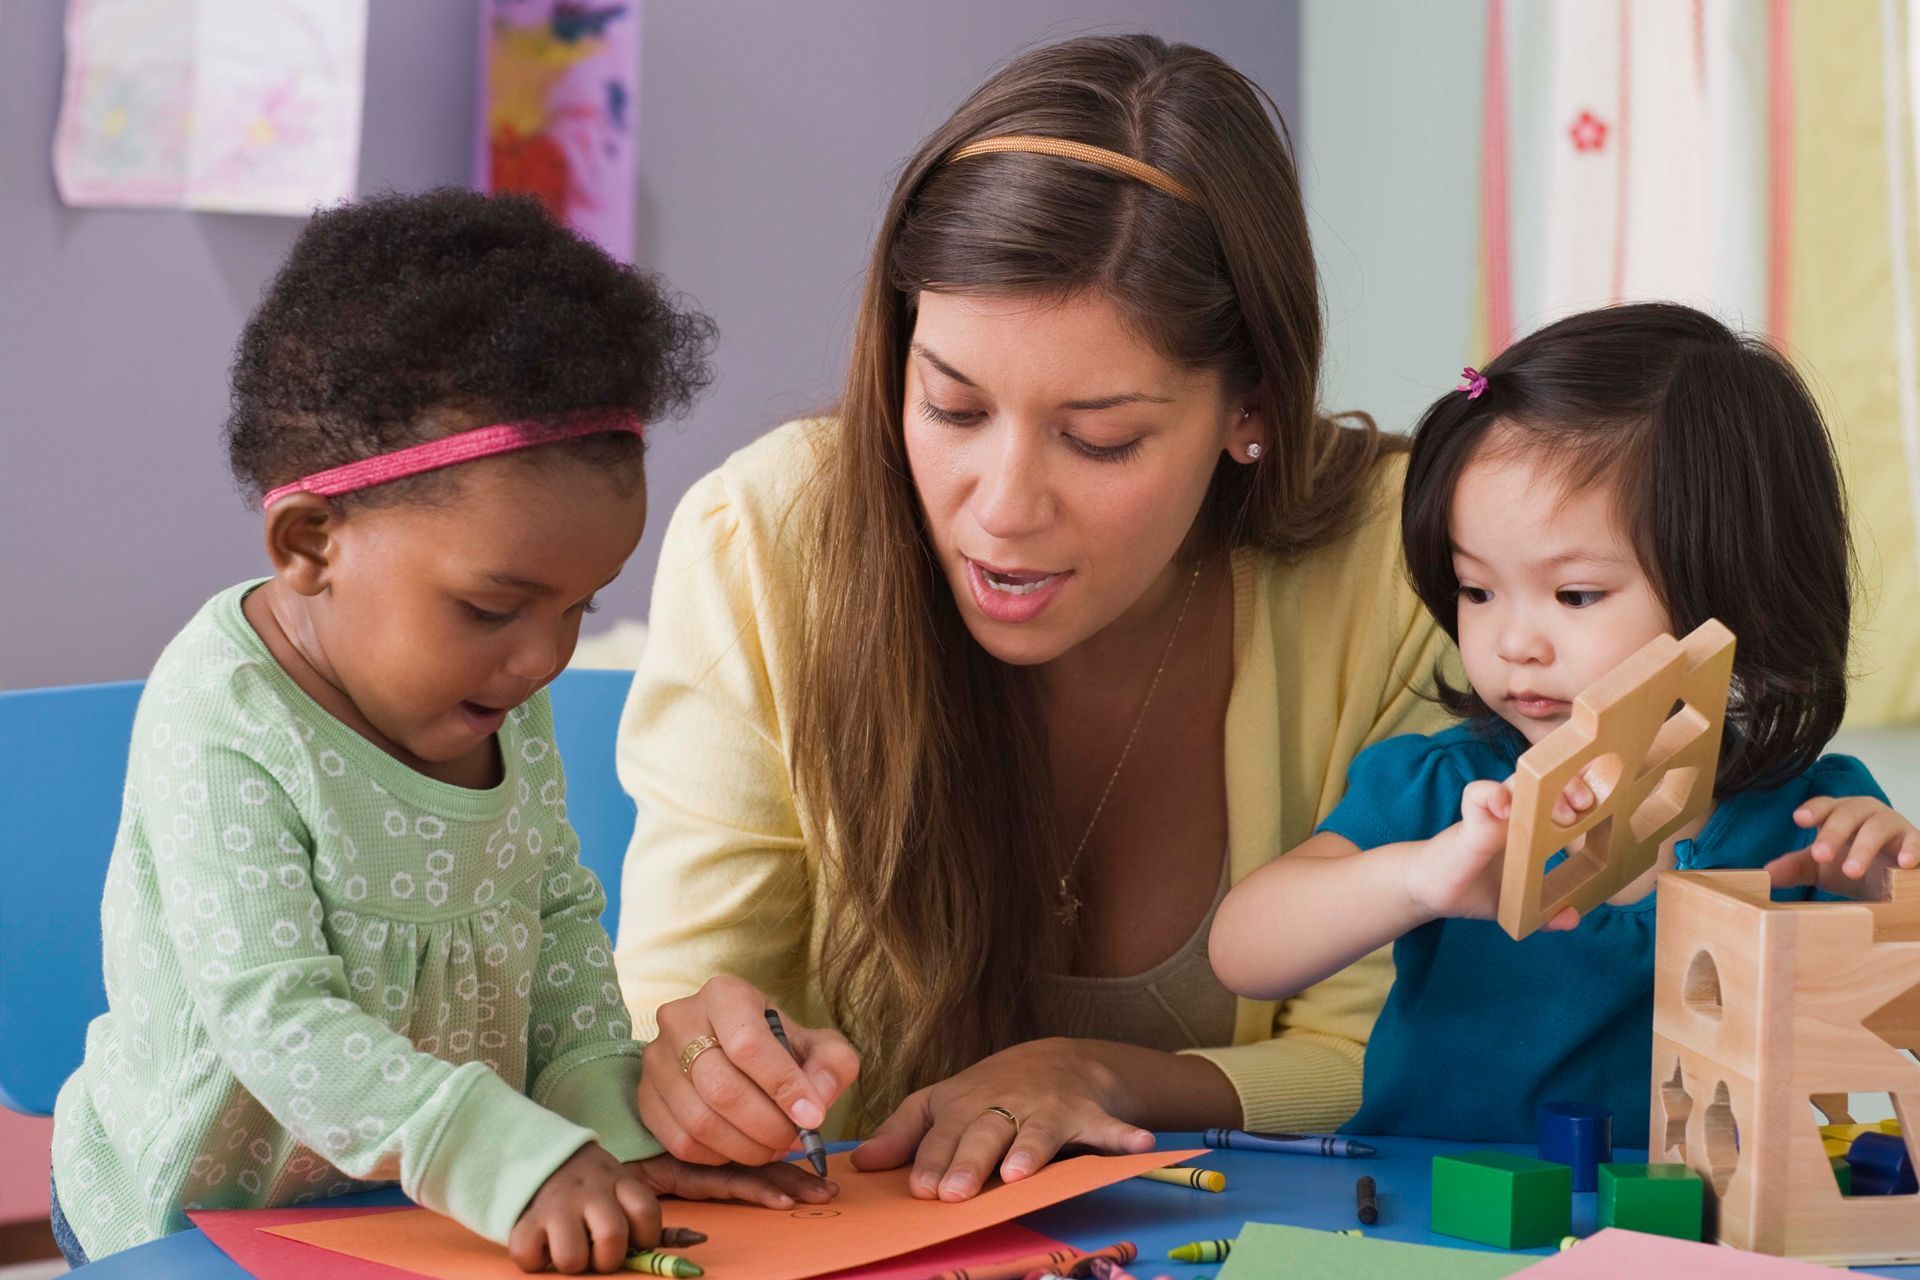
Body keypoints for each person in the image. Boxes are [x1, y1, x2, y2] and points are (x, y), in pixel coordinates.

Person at [612, 34, 1452, 1202]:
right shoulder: (763, 539)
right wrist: (699, 1063)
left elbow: (1390, 1052)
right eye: (951, 406)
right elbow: (679, 1002)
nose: (1001, 509)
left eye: (1100, 437)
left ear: (1250, 407)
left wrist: (1094, 1072)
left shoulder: (1406, 564)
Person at [50, 190, 828, 1273]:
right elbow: (274, 1015)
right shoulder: (224, 711)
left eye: (581, 607)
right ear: (312, 540)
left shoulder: (499, 687)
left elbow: (554, 923)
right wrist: (505, 1152)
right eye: (492, 605)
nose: (543, 655)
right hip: (191, 1221)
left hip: (428, 1213)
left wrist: (610, 1126)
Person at [1209, 302, 1920, 1143]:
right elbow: (1244, 954)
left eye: (1575, 595)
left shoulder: (1809, 817)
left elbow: (1885, 1033)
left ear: (1741, 592)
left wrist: (1885, 894)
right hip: (1424, 1217)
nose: (1513, 643)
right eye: (1476, 590)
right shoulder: (1443, 790)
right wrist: (1415, 881)